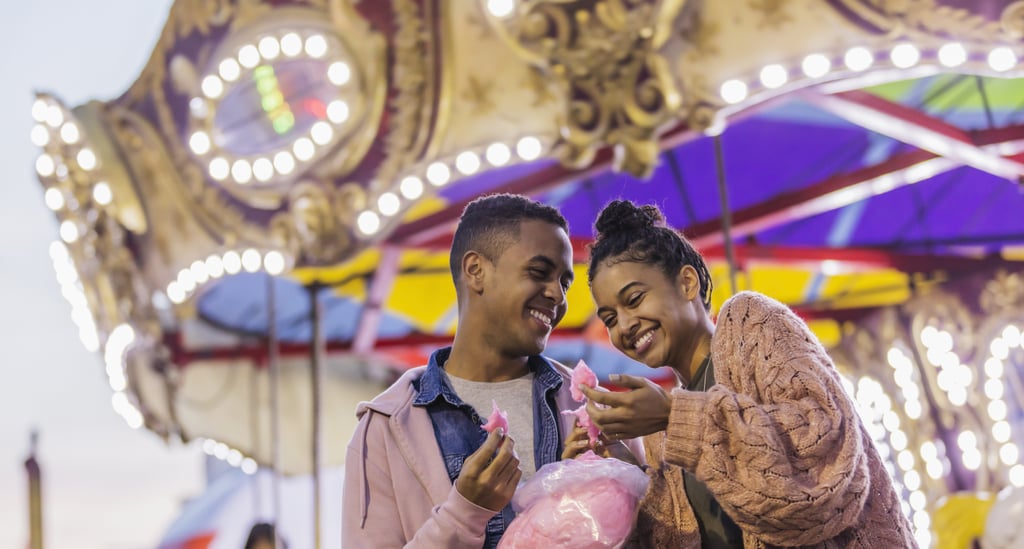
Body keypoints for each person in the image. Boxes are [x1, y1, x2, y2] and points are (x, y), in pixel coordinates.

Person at [565, 199, 916, 547]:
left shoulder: (751, 324)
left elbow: (821, 454)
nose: (624, 325)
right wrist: (616, 471)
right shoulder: (661, 432)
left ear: (687, 283)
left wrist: (677, 417)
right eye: (609, 318)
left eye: (635, 298)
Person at [342, 194, 582, 548]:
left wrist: (625, 474)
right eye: (539, 272)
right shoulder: (383, 431)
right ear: (475, 271)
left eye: (565, 282)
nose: (558, 295)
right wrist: (464, 513)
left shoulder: (588, 408)